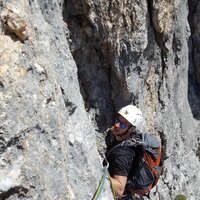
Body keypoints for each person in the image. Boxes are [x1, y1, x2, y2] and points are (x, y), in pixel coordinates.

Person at [105, 105, 148, 199]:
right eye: (118, 120)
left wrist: (101, 174)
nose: (117, 125)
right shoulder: (130, 138)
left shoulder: (122, 154)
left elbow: (119, 189)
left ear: (131, 129)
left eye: (123, 125)